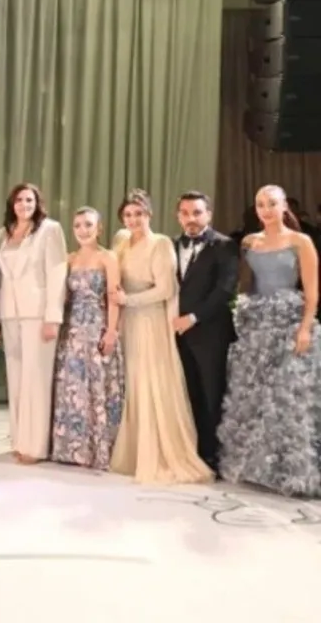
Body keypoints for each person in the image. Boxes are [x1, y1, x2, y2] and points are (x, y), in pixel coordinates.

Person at [218, 185, 321, 497]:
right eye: (261, 204)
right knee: (255, 396)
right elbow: (246, 285)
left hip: (289, 323)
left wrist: (305, 328)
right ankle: (255, 468)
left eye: (272, 204)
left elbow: (312, 292)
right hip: (256, 326)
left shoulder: (301, 241)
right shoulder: (249, 242)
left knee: (287, 398)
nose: (266, 210)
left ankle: (289, 472)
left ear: (284, 206)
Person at [108, 189, 212, 484]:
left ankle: (159, 454)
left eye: (139, 214)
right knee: (133, 384)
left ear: (149, 214)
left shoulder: (160, 243)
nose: (133, 219)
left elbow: (165, 289)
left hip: (150, 322)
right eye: (128, 214)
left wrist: (128, 300)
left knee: (151, 382)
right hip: (128, 322)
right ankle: (136, 451)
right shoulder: (121, 242)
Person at [0, 183, 67, 464]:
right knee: (17, 379)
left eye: (29, 199)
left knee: (36, 380)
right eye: (19, 200)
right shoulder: (3, 233)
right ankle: (20, 441)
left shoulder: (50, 230)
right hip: (9, 313)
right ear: (12, 204)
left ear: (37, 203)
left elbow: (57, 273)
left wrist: (53, 317)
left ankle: (36, 447)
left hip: (38, 314)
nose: (24, 204)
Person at [50, 207, 124, 470]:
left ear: (99, 228)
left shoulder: (108, 258)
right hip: (71, 329)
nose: (83, 230)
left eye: (88, 225)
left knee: (96, 387)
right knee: (72, 388)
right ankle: (72, 450)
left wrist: (111, 331)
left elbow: (114, 298)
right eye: (78, 225)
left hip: (96, 326)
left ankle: (98, 451)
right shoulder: (69, 259)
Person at [171, 191, 238, 473]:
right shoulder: (171, 245)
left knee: (212, 394)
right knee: (187, 395)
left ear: (208, 214)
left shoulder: (225, 246)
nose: (191, 219)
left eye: (197, 212)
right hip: (176, 334)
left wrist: (193, 318)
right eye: (185, 213)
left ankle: (214, 457)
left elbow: (224, 290)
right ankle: (192, 453)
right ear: (178, 216)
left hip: (210, 333)